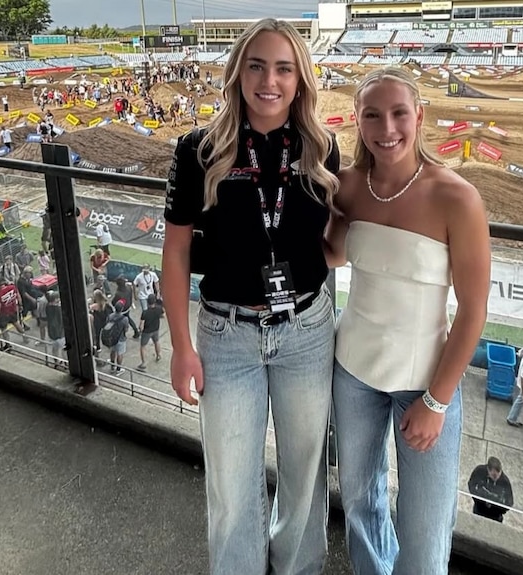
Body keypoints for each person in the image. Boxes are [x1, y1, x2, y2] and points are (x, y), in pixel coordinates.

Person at [162, 18, 341, 575]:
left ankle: (298, 569)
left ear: (300, 79)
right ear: (238, 73)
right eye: (257, 65)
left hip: (306, 330)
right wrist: (180, 346)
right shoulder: (197, 149)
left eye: (284, 68)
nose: (270, 80)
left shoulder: (322, 147)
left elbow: (334, 237)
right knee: (232, 483)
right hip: (226, 335)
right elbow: (173, 254)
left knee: (305, 473)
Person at [324, 66, 490, 574]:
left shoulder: (456, 197)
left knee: (424, 526)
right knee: (359, 504)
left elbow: (474, 310)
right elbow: (332, 256)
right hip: (352, 371)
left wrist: (437, 401)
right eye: (372, 115)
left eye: (399, 113)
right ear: (357, 121)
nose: (387, 127)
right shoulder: (348, 186)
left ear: (420, 116)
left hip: (426, 381)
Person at [468, 457, 514, 523]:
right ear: (488, 470)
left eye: (499, 474)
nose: (497, 477)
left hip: (495, 516)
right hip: (479, 510)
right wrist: (478, 499)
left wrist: (498, 509)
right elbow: (471, 484)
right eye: (494, 475)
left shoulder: (505, 482)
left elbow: (509, 502)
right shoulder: (479, 471)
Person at [136, 294, 163, 371]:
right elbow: (163, 315)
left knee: (143, 346)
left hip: (147, 331)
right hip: (156, 329)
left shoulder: (145, 312)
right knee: (156, 342)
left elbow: (141, 325)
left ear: (148, 302)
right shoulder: (159, 309)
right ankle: (158, 355)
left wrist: (140, 330)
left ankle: (143, 363)